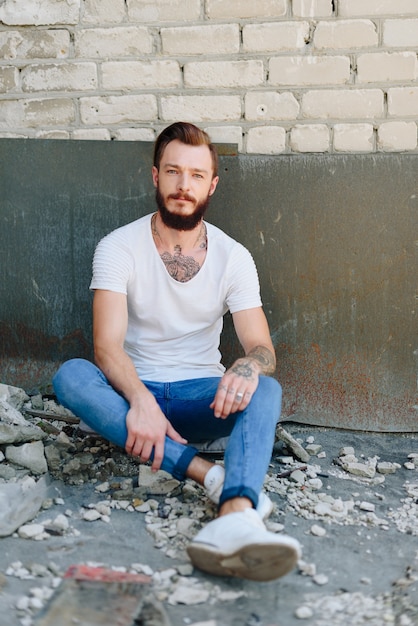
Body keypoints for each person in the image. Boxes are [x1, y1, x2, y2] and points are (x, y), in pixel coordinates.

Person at [53, 121, 301, 582]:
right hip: (131, 396)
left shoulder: (235, 257)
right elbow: (106, 349)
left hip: (196, 396)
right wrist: (142, 402)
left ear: (212, 184)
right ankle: (210, 476)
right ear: (155, 176)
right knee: (71, 375)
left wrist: (247, 366)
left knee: (265, 390)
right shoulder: (118, 247)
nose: (183, 186)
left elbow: (261, 346)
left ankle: (235, 514)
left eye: (195, 175)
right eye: (173, 172)